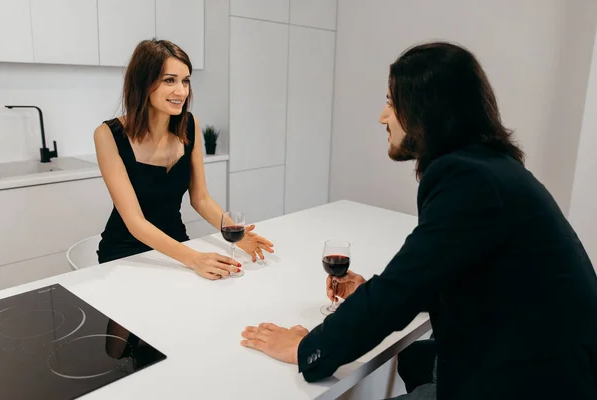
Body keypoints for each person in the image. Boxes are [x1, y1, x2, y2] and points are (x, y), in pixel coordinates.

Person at [239, 41, 597, 399]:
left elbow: (398, 292)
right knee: (412, 356)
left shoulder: (466, 179)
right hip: (542, 356)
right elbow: (445, 273)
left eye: (392, 103)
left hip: (533, 380)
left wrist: (306, 349)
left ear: (427, 111)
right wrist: (370, 293)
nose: (383, 116)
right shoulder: (491, 167)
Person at [94, 39, 274, 279]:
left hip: (176, 246)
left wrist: (236, 234)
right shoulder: (109, 135)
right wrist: (194, 259)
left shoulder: (189, 125)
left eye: (186, 81)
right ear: (144, 83)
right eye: (170, 80)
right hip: (125, 253)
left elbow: (200, 198)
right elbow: (135, 221)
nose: (181, 91)